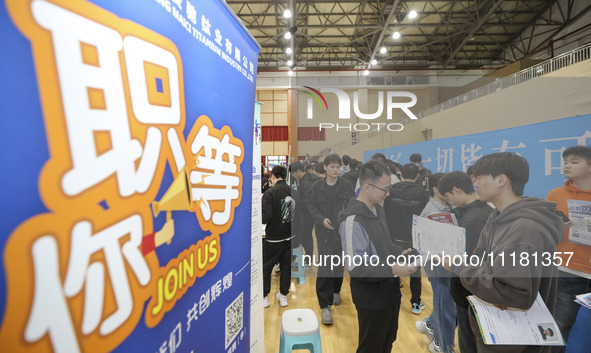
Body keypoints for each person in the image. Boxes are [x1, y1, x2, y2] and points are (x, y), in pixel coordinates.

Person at [444, 152, 564, 353]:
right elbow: (480, 260)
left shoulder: (525, 229)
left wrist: (458, 266)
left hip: (518, 341)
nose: (475, 183)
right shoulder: (496, 217)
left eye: (480, 177)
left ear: (501, 180)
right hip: (496, 329)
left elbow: (515, 294)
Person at [338, 160, 417, 353]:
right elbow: (356, 267)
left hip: (390, 291)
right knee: (371, 346)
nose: (388, 194)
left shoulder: (378, 210)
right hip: (371, 297)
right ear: (366, 186)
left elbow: (384, 244)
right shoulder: (352, 220)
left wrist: (400, 252)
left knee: (388, 340)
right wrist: (393, 268)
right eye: (385, 189)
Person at [436, 171, 493, 353]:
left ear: (456, 190)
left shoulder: (472, 219)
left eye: (449, 197)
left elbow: (472, 260)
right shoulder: (486, 211)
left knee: (469, 343)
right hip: (481, 291)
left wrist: (450, 262)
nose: (450, 202)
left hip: (470, 293)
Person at [546, 146, 591, 353]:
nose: (567, 165)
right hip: (566, 270)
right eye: (565, 161)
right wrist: (554, 228)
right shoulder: (555, 194)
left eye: (574, 161)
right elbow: (544, 233)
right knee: (559, 325)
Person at [305, 154, 354, 325]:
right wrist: (320, 219)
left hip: (341, 233)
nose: (335, 170)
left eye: (337, 167)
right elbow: (310, 205)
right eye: (332, 166)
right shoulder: (317, 187)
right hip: (324, 233)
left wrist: (344, 219)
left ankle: (335, 291)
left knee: (339, 264)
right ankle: (325, 305)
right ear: (324, 168)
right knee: (325, 266)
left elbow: (352, 205)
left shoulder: (347, 186)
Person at [384, 163, 429, 314]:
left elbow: (385, 212)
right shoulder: (423, 192)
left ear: (401, 175)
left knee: (394, 268)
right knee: (415, 270)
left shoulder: (391, 191)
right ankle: (416, 303)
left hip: (393, 236)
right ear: (417, 176)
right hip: (414, 238)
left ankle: (392, 299)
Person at [261, 165, 300, 308]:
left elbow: (266, 217)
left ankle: (265, 297)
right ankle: (283, 296)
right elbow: (290, 216)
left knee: (266, 267)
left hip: (273, 239)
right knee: (285, 267)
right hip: (289, 237)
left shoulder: (270, 193)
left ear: (272, 176)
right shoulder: (293, 192)